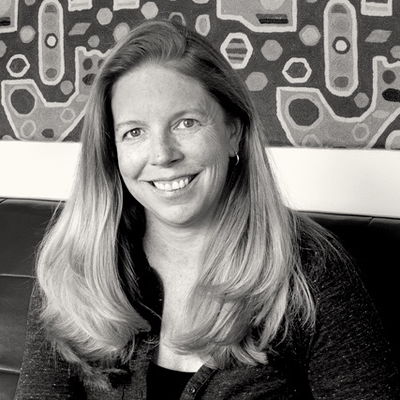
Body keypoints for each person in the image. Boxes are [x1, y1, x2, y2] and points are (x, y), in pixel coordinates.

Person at [16, 20, 399, 399]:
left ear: (233, 132)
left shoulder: (310, 270)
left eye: (186, 123)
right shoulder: (72, 268)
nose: (162, 155)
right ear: (112, 151)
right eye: (134, 132)